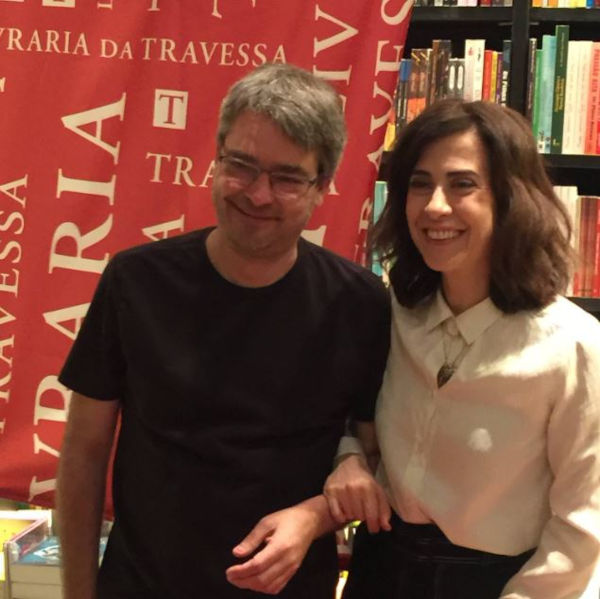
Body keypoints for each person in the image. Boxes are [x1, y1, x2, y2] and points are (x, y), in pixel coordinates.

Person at [56, 62, 390, 599]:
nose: (257, 195)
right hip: (142, 586)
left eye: (286, 177)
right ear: (215, 159)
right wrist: (77, 592)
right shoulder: (135, 280)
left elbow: (374, 459)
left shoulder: (361, 303)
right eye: (241, 166)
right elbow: (84, 453)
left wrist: (314, 517)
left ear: (323, 185)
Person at [324, 99, 600, 598]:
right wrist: (350, 458)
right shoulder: (395, 315)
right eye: (420, 183)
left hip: (492, 583)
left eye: (462, 184)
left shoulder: (575, 346)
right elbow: (351, 415)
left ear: (511, 197)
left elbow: (584, 527)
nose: (434, 206)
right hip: (379, 568)